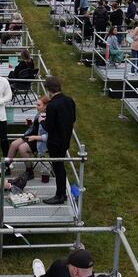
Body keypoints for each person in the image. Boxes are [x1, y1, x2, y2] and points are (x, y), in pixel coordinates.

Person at [41, 76, 76, 205]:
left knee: (58, 168)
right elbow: (73, 119)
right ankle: (61, 193)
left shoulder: (52, 106)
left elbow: (48, 127)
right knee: (60, 167)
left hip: (55, 142)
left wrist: (42, 121)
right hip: (65, 139)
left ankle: (60, 195)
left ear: (49, 90)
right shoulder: (69, 100)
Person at [7, 97, 49, 180]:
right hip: (31, 136)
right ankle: (6, 167)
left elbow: (49, 136)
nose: (36, 106)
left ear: (45, 106)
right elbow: (36, 128)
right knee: (13, 144)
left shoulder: (50, 117)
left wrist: (35, 137)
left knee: (22, 148)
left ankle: (29, 172)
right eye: (36, 104)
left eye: (38, 105)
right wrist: (29, 124)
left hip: (40, 141)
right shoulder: (40, 113)